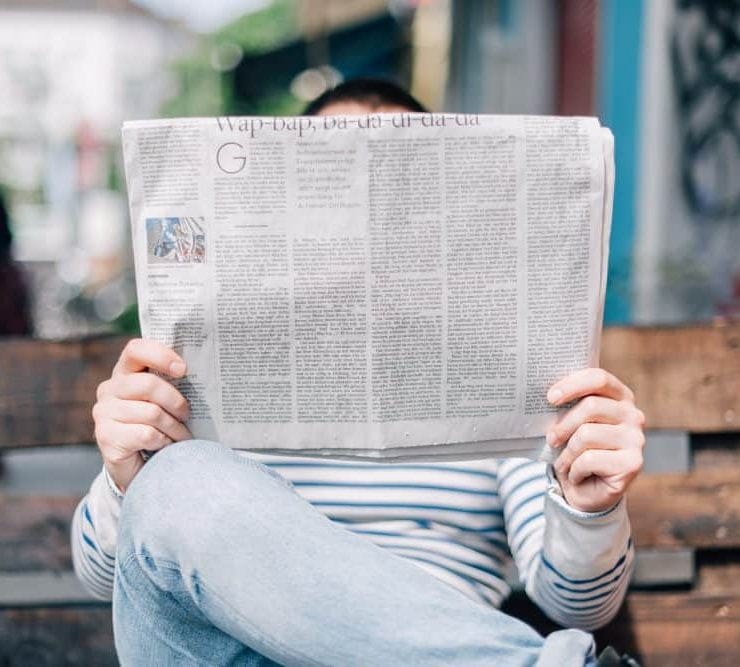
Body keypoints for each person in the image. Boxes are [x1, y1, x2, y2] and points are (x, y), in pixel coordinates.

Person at [72, 79, 645, 666]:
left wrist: (589, 509)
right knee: (178, 480)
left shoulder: (507, 370)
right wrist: (125, 478)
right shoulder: (197, 368)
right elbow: (106, 578)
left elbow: (578, 605)